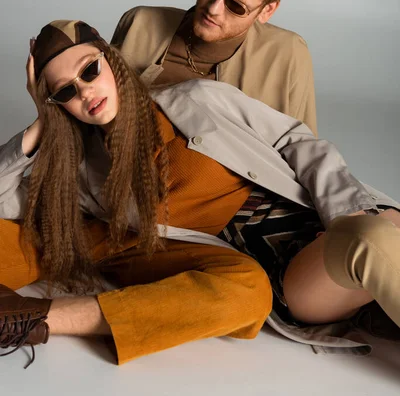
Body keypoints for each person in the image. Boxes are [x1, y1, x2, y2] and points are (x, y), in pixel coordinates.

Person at [1, 19, 399, 369]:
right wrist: (39, 125)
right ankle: (37, 319)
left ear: (110, 59)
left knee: (378, 229)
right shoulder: (80, 172)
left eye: (90, 71)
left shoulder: (196, 99)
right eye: (65, 93)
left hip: (333, 214)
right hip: (290, 269)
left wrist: (347, 211)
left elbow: (297, 141)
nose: (86, 93)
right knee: (372, 241)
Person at [111, 0, 318, 135]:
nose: (213, 9)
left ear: (267, 10)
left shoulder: (289, 53)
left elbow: (302, 148)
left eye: (235, 5)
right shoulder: (139, 24)